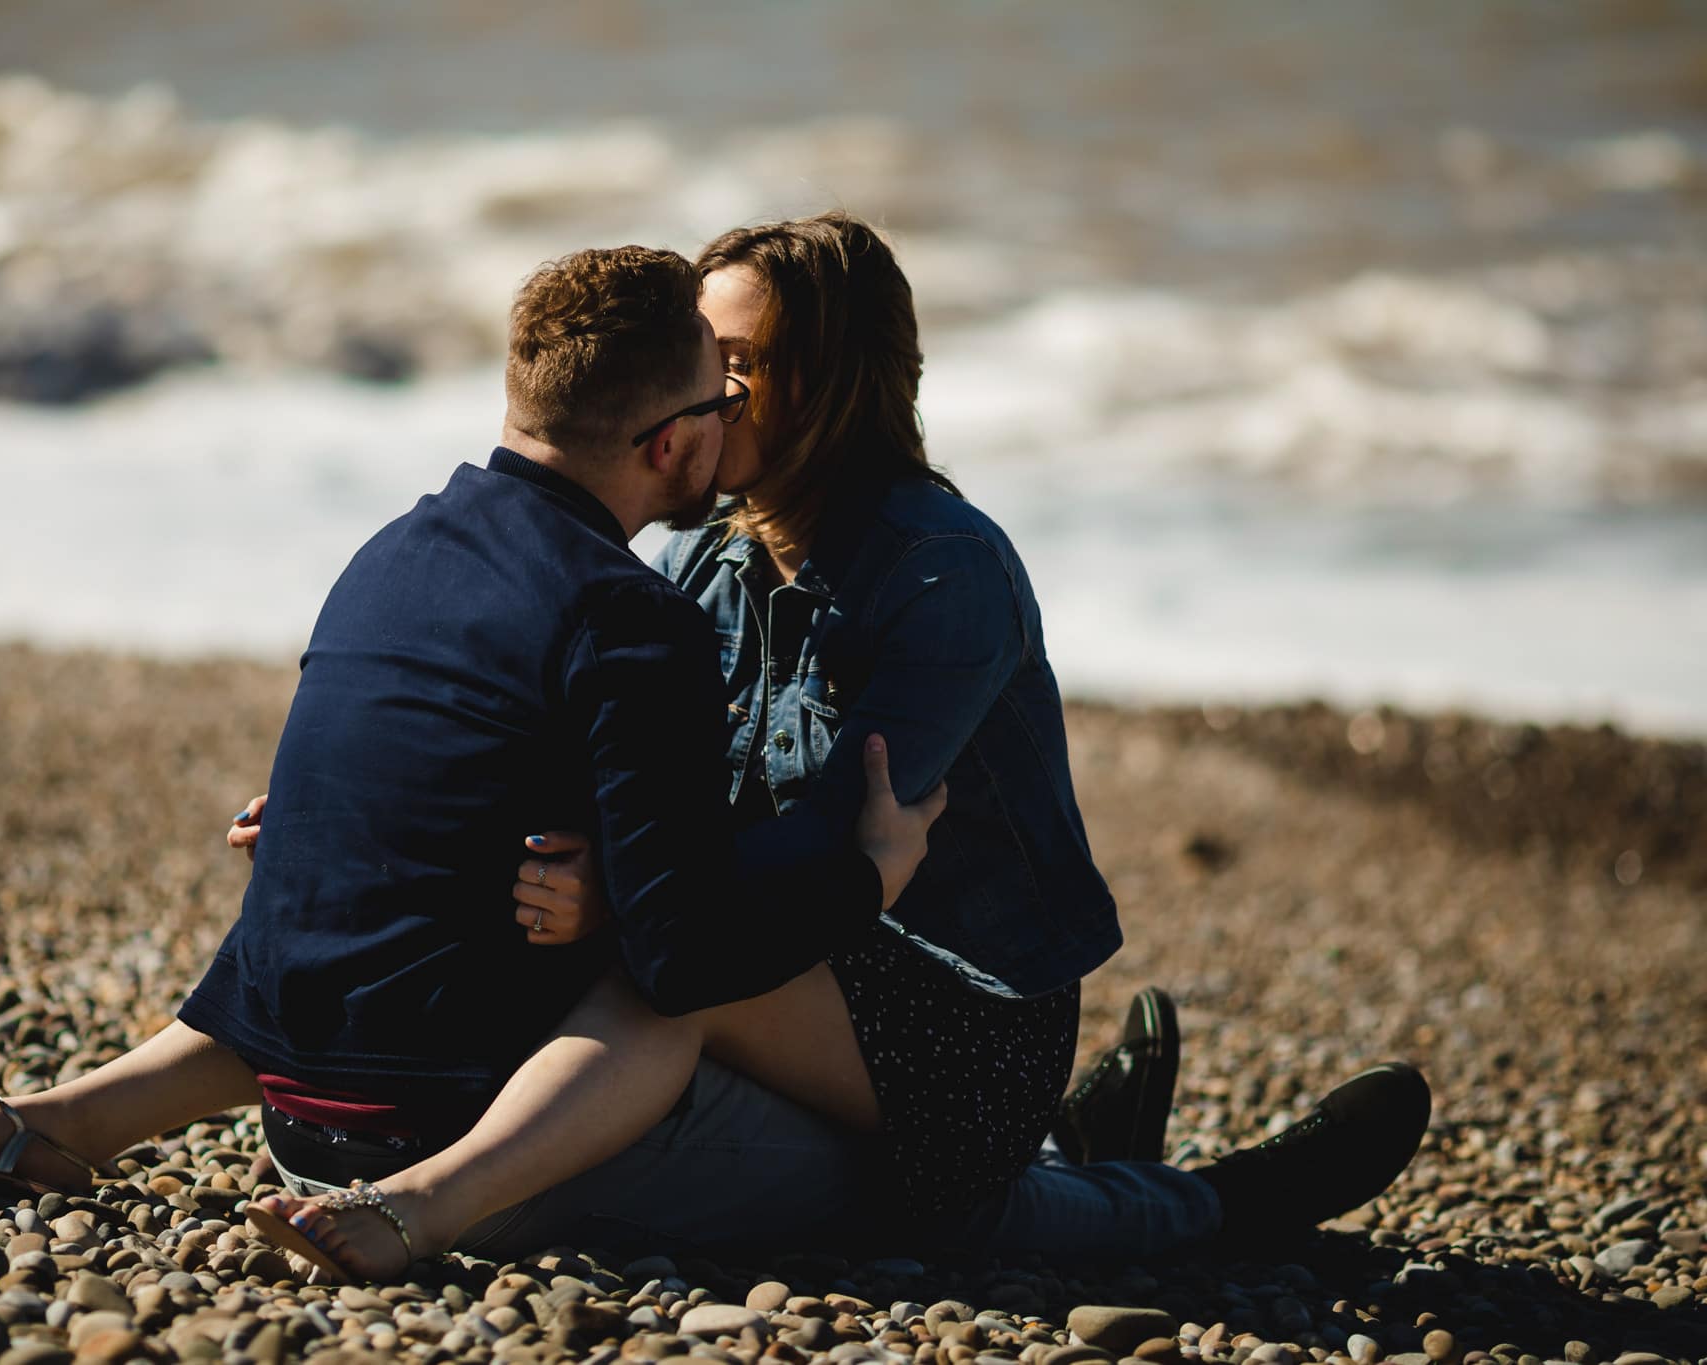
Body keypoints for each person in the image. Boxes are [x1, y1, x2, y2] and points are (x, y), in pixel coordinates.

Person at [234, 214, 1432, 1279]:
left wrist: (619, 894)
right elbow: (592, 764)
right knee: (616, 954)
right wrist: (366, 817)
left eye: (739, 365)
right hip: (763, 950)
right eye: (705, 359)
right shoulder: (702, 553)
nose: (708, 389)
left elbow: (830, 853)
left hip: (950, 1008)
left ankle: (1214, 1207)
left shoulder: (939, 570)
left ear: (836, 382)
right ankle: (1091, 1148)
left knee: (674, 989)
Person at [0, 243, 948, 1251]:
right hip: (443, 1138)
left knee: (393, 907)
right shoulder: (631, 617)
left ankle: (59, 1122)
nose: (732, 420)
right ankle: (1119, 1205)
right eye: (718, 401)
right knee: (895, 1176)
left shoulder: (392, 553)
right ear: (665, 445)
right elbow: (684, 957)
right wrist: (865, 878)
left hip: (292, 1115)